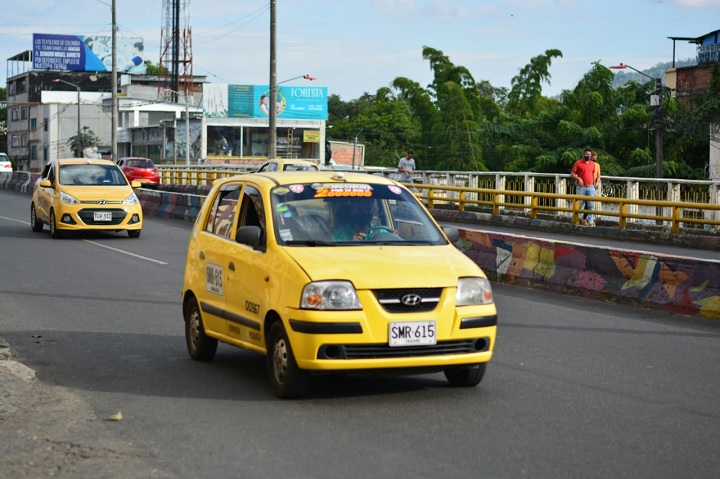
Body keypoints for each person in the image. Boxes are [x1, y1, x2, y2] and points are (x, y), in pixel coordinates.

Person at [570, 148, 598, 226]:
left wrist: (596, 183)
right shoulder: (578, 163)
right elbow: (572, 173)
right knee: (579, 205)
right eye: (586, 154)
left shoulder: (593, 164)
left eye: (589, 155)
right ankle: (575, 220)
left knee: (591, 205)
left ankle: (590, 221)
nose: (588, 156)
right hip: (581, 187)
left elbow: (593, 174)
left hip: (591, 187)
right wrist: (578, 178)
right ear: (583, 155)